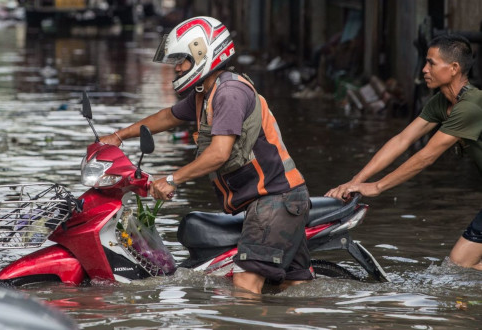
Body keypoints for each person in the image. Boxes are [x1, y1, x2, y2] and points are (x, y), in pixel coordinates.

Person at [100, 16, 313, 293]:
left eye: (183, 59)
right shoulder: (207, 92)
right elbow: (167, 117)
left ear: (204, 53)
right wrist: (118, 136)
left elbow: (219, 153)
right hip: (278, 199)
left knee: (245, 285)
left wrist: (172, 178)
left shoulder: (229, 93)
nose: (177, 67)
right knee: (293, 289)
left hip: (275, 201)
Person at [325, 34, 482, 270]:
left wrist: (377, 187)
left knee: (460, 269)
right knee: (459, 267)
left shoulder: (469, 107)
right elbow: (402, 140)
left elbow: (427, 156)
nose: (424, 70)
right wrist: (355, 182)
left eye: (431, 63)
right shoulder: (442, 102)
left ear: (454, 68)